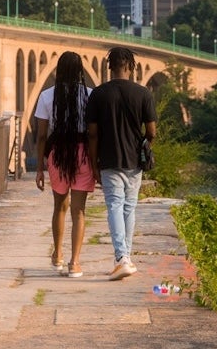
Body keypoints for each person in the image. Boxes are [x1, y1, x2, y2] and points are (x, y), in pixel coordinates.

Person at [86, 47, 156, 281]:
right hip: (135, 160)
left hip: (108, 158)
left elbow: (92, 133)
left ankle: (121, 258)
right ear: (132, 66)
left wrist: (93, 163)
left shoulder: (98, 94)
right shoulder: (143, 94)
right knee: (129, 206)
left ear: (110, 67)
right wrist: (145, 146)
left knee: (115, 205)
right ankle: (125, 257)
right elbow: (152, 131)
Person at [33, 52, 95, 277]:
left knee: (59, 206)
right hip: (83, 154)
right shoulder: (90, 95)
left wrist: (39, 167)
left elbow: (41, 136)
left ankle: (57, 255)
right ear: (80, 70)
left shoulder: (47, 96)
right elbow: (94, 133)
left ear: (59, 70)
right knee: (79, 211)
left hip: (58, 154)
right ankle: (75, 263)